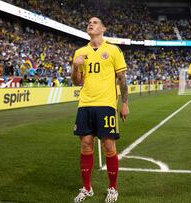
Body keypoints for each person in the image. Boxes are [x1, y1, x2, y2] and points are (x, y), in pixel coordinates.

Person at [71, 17, 129, 203]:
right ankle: (87, 188)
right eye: (88, 22)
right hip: (85, 105)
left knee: (109, 146)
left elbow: (122, 79)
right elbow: (76, 81)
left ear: (103, 28)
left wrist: (125, 103)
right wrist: (75, 66)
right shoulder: (80, 52)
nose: (90, 23)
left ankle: (113, 188)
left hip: (106, 105)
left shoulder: (113, 50)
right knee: (86, 144)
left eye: (95, 22)